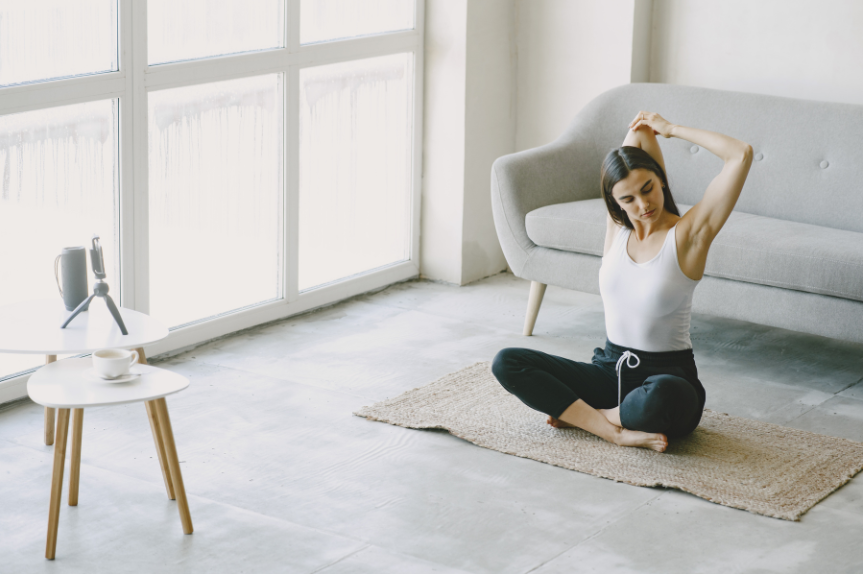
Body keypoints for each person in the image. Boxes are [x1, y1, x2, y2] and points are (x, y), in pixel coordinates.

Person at [491, 111, 753, 452]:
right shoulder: (616, 230)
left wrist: (670, 129)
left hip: (667, 378)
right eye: (628, 199)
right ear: (614, 202)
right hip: (608, 371)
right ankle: (613, 430)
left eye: (648, 189)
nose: (643, 205)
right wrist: (640, 128)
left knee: (662, 397)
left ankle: (590, 416)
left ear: (661, 180)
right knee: (507, 362)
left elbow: (740, 154)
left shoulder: (688, 235)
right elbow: (637, 138)